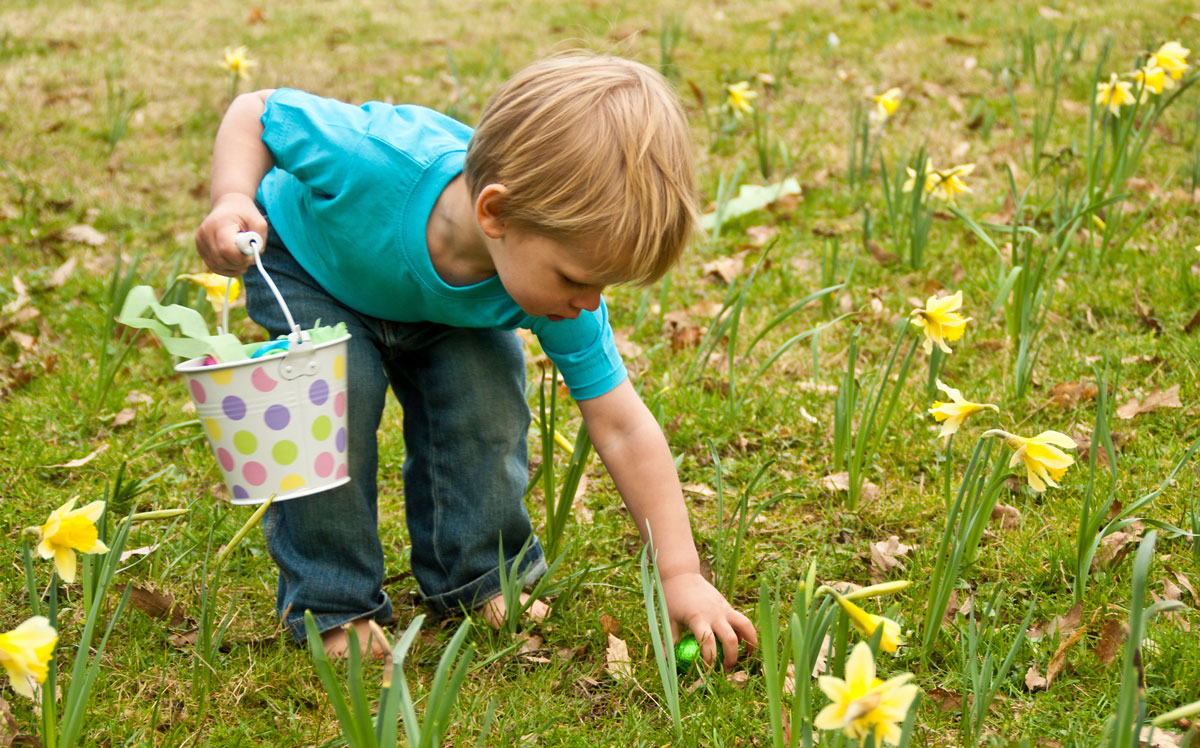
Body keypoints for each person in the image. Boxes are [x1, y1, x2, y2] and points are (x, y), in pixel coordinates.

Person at [194, 53, 757, 666]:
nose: (590, 303)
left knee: (482, 402)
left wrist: (679, 573)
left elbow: (621, 423)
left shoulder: (553, 280)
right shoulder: (372, 157)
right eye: (577, 278)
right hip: (313, 271)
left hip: (448, 313)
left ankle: (480, 577)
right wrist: (229, 198)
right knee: (330, 400)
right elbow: (257, 112)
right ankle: (334, 605)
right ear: (495, 213)